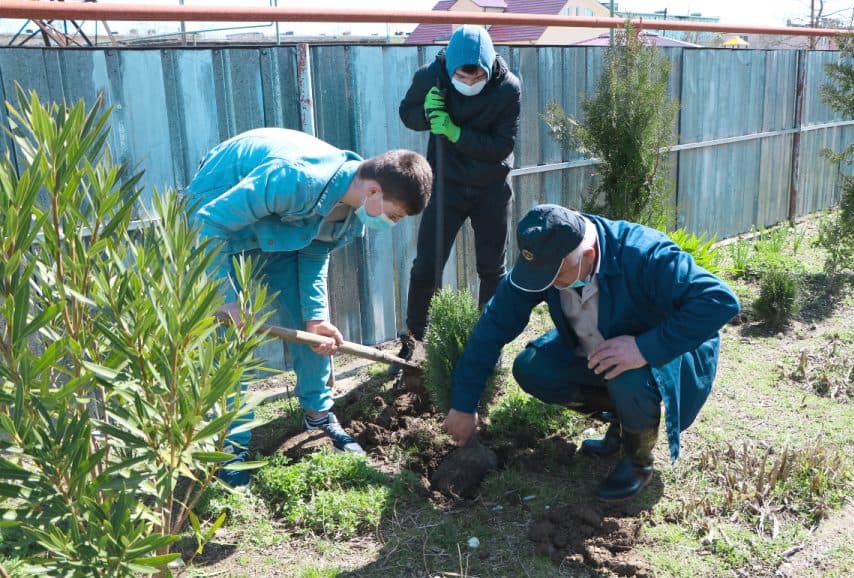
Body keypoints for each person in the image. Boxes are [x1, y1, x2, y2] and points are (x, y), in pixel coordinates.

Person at [442, 204, 740, 501]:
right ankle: (622, 423)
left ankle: (638, 461)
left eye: (556, 276)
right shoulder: (545, 259)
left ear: (589, 256)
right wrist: (463, 405)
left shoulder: (644, 254)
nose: (546, 284)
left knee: (627, 374)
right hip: (597, 344)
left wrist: (642, 348)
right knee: (533, 368)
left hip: (663, 353)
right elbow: (492, 326)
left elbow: (720, 301)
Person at [186, 127, 433, 484]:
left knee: (314, 331)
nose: (391, 224)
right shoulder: (294, 179)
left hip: (277, 227)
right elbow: (207, 223)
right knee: (232, 341)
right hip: (219, 218)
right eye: (394, 216)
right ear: (374, 191)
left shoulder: (352, 210)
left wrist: (315, 319)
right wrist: (225, 297)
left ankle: (318, 415)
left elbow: (315, 252)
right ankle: (230, 451)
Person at [394, 24, 521, 368]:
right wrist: (427, 116)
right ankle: (414, 344)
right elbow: (407, 113)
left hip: (491, 187)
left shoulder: (507, 88)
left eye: (475, 75)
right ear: (449, 68)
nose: (468, 82)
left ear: (489, 65)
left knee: (492, 270)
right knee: (426, 267)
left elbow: (502, 146)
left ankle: (488, 346)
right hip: (445, 184)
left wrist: (453, 131)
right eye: (461, 77)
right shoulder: (431, 77)